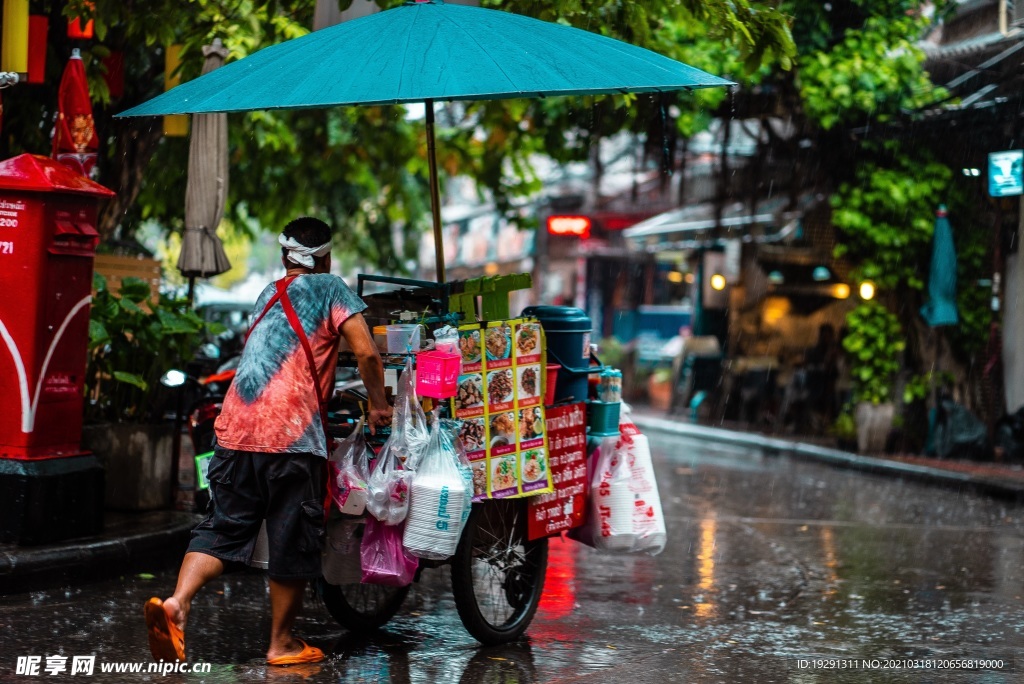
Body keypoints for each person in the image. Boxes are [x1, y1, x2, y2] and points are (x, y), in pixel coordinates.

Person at [144, 217, 393, 666]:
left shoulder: (267, 294)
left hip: (235, 428)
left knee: (221, 528)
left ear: (283, 257)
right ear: (327, 257)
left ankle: (178, 602)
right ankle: (281, 644)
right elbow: (367, 352)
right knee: (291, 538)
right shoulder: (333, 289)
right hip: (290, 436)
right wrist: (378, 404)